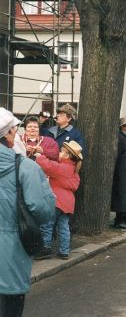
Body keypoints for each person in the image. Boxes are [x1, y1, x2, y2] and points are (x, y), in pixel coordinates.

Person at [0, 108, 55, 317]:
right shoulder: (25, 168)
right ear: (7, 134)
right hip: (12, 250)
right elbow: (43, 210)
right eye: (14, 130)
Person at [33, 141, 83, 260]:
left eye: (61, 152)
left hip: (56, 201)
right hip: (68, 203)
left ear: (67, 155)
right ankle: (64, 251)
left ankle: (46, 248)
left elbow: (48, 166)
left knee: (47, 224)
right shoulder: (73, 170)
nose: (59, 153)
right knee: (63, 226)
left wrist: (39, 156)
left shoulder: (63, 168)